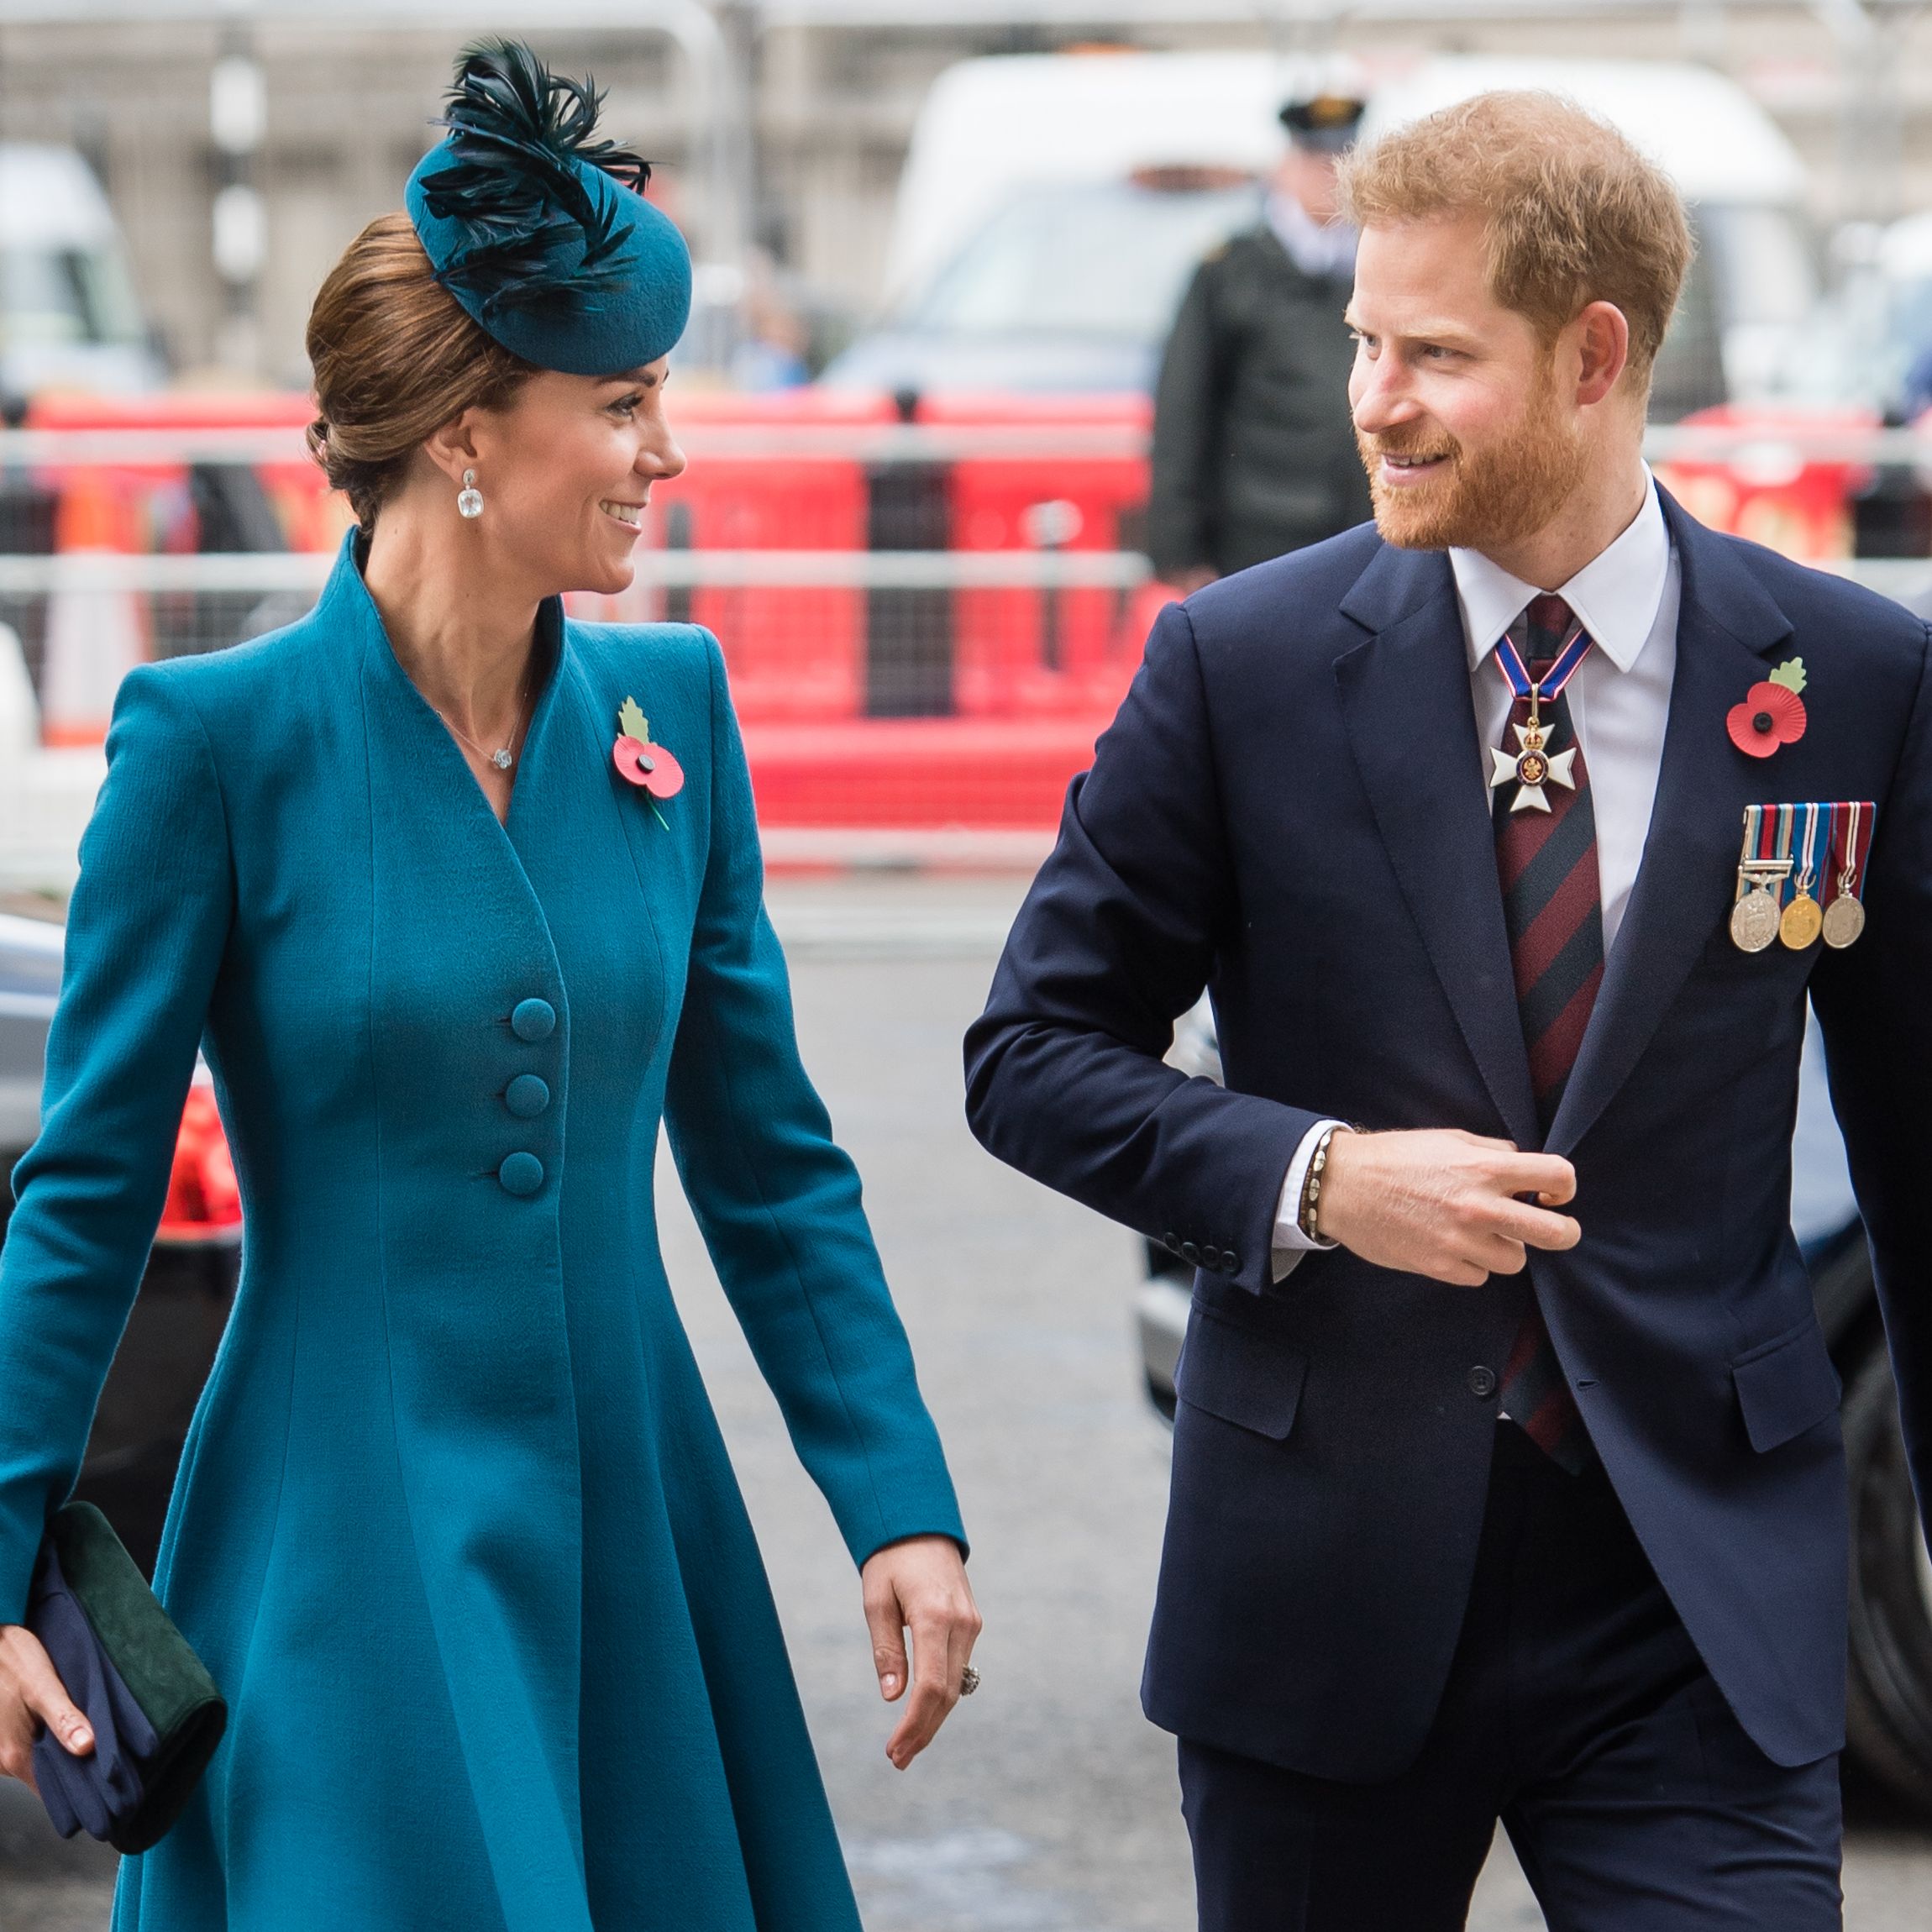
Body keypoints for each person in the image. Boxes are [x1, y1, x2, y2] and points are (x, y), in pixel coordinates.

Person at [0, 40, 979, 1930]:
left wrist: (898, 1494)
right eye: (621, 406)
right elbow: (87, 1195)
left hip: (639, 1519)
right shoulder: (213, 747)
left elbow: (770, 1164)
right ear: (464, 433)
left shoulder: (674, 716)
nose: (667, 454)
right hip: (339, 1534)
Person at [967, 89, 1932, 1929]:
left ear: (1594, 356)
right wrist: (1321, 1177)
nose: (1370, 396)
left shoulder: (1856, 679)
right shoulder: (1235, 667)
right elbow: (1029, 1057)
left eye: (1431, 352)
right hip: (1321, 1589)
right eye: (1360, 340)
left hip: (1696, 1608)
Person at [1147, 91, 1373, 594]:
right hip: (1259, 535)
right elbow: (1184, 408)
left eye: (1343, 161)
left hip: (1365, 528)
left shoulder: (1380, 262)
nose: (1329, 176)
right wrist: (1179, 547)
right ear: (1286, 167)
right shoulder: (1232, 270)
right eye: (1316, 161)